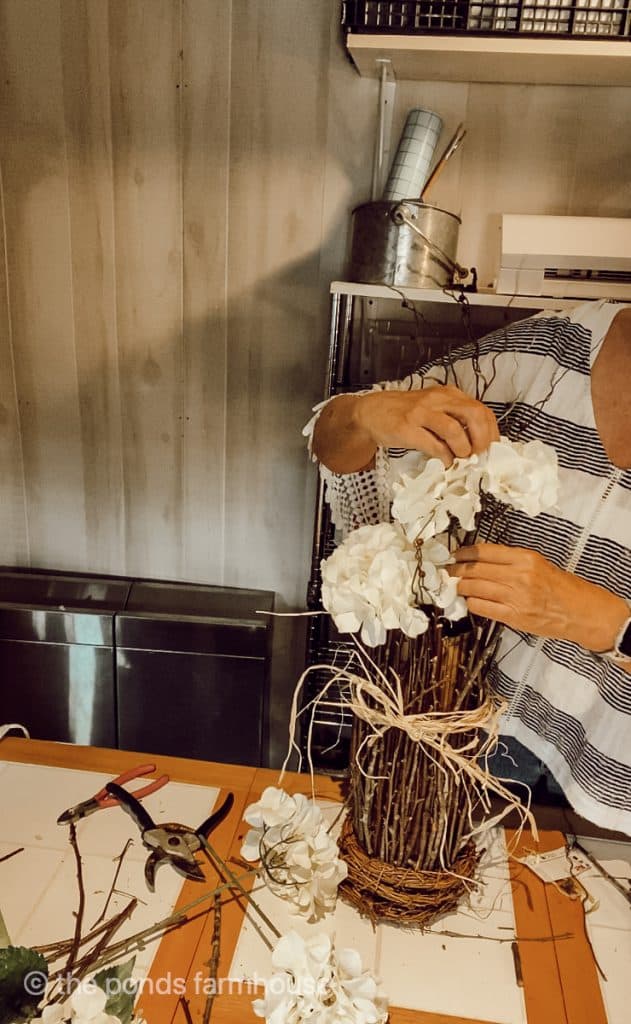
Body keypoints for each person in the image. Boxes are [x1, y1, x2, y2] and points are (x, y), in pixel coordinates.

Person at [305, 298, 631, 834]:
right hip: (466, 726)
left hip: (612, 785)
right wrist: (364, 414)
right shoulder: (547, 351)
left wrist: (610, 625)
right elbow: (338, 450)